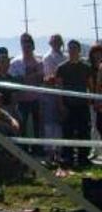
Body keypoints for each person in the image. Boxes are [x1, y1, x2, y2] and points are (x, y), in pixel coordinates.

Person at [56, 40, 93, 167]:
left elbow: (90, 85)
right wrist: (60, 105)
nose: (72, 51)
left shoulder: (86, 68)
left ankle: (83, 157)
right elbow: (59, 88)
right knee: (68, 132)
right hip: (68, 105)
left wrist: (91, 100)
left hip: (82, 105)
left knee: (84, 131)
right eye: (70, 48)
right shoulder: (61, 68)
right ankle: (68, 158)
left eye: (74, 48)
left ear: (79, 50)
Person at [10, 35, 44, 154]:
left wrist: (27, 78)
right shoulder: (15, 63)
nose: (26, 47)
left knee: (37, 126)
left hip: (37, 99)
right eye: (24, 44)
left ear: (33, 46)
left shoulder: (40, 61)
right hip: (21, 100)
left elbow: (41, 79)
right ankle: (23, 150)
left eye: (29, 44)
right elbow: (14, 81)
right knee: (21, 125)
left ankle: (38, 149)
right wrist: (31, 76)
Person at [43, 34, 68, 162]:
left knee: (59, 124)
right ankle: (49, 151)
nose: (56, 43)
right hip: (50, 95)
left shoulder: (65, 58)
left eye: (58, 41)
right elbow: (47, 77)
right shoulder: (47, 58)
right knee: (49, 123)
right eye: (54, 41)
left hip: (63, 94)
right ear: (50, 43)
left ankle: (59, 151)